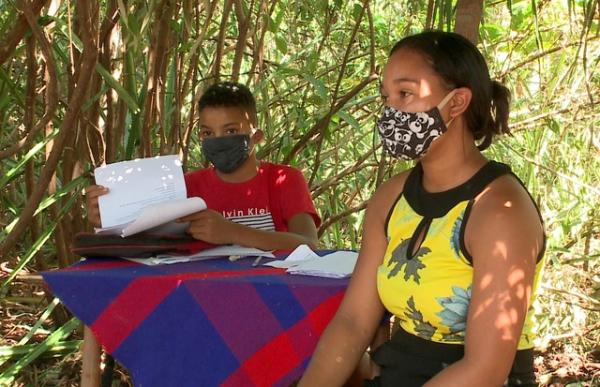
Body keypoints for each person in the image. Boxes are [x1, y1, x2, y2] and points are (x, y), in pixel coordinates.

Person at [298, 31, 546, 386]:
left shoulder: (499, 212)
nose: (390, 111)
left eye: (406, 93)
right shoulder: (391, 198)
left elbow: (485, 370)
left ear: (457, 102)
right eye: (386, 97)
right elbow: (353, 323)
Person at [86, 81, 320, 251]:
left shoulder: (284, 179)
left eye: (231, 131)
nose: (218, 139)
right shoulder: (185, 186)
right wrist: (109, 218)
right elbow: (146, 239)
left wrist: (232, 232)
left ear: (256, 136)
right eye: (208, 133)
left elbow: (309, 243)